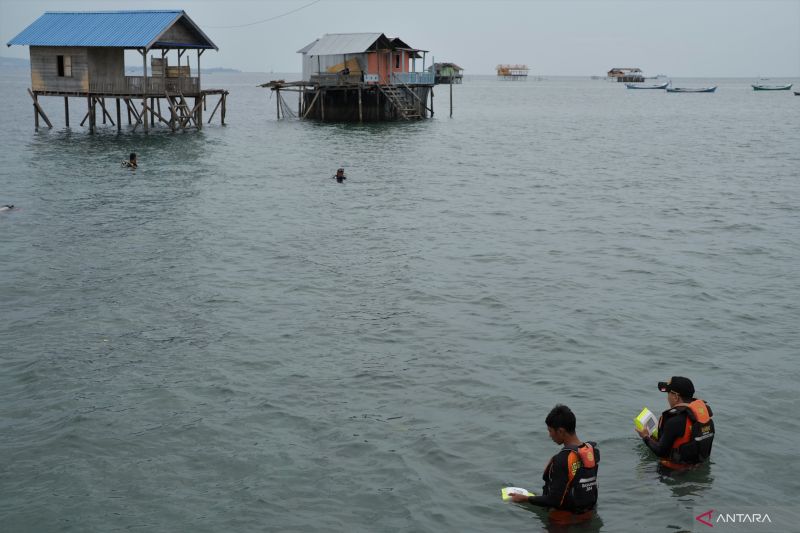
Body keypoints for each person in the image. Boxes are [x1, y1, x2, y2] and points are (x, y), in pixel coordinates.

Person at [510, 404, 600, 524]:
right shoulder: (592, 451)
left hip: (563, 519)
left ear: (561, 431)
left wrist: (526, 499)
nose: (549, 435)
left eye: (550, 431)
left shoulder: (562, 459)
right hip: (588, 514)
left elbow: (554, 500)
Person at [635, 377, 714, 469]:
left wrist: (645, 437)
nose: (667, 397)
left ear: (676, 396)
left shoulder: (674, 421)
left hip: (673, 473)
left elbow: (660, 452)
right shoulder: (702, 416)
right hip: (699, 466)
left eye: (668, 393)